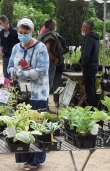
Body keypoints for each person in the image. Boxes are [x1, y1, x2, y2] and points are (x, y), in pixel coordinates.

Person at [7, 18, 49, 171]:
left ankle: (35, 160)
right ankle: (24, 156)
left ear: (32, 32)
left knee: (36, 127)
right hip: (22, 93)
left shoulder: (41, 48)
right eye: (20, 33)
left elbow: (41, 71)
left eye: (26, 33)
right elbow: (10, 68)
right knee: (22, 125)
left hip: (38, 93)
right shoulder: (16, 48)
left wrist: (22, 73)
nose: (23, 35)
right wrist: (16, 71)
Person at [37, 19, 62, 90]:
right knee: (47, 85)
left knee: (41, 84)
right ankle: (45, 100)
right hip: (49, 63)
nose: (55, 26)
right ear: (51, 26)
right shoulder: (49, 36)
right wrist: (55, 59)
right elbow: (47, 52)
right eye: (54, 25)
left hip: (40, 62)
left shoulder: (41, 35)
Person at [80, 20, 99, 107]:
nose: (81, 29)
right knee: (92, 88)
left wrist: (83, 65)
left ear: (86, 28)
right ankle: (94, 109)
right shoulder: (95, 39)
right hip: (94, 66)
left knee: (89, 89)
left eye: (82, 27)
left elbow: (86, 54)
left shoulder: (89, 38)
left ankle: (93, 109)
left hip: (88, 67)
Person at [52, 32, 69, 107]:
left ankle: (56, 100)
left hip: (58, 64)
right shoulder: (46, 37)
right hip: (49, 63)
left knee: (56, 83)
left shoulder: (60, 38)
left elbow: (66, 48)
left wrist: (58, 52)